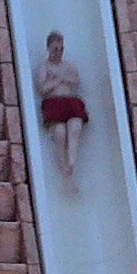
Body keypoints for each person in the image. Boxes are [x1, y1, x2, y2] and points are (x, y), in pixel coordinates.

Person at [36, 32, 89, 181]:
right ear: (48, 49)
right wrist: (59, 79)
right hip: (54, 102)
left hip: (70, 101)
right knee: (59, 133)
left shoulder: (69, 65)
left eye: (61, 49)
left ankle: (72, 162)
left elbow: (76, 81)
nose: (58, 53)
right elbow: (42, 88)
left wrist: (57, 79)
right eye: (55, 49)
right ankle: (63, 169)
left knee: (75, 127)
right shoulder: (44, 67)